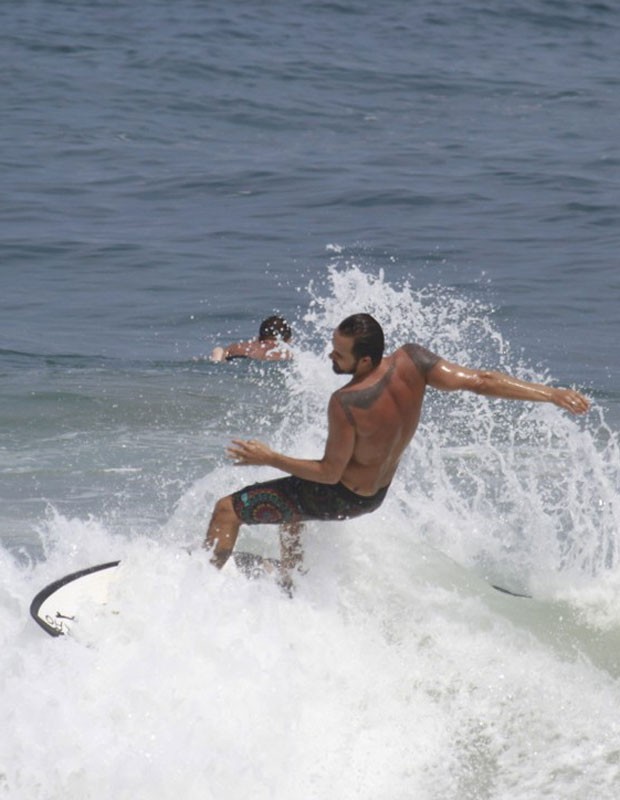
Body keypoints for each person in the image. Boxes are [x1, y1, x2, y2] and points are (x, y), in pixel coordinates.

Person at [204, 313, 590, 585]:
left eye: (339, 354)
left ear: (365, 359)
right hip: (375, 495)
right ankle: (292, 575)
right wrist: (550, 393)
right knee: (293, 496)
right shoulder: (414, 361)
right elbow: (481, 380)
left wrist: (267, 457)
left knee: (227, 509)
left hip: (342, 497)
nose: (330, 358)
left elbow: (329, 474)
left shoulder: (347, 402)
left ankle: (196, 592)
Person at [210, 315, 292, 362]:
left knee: (218, 350)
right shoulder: (286, 354)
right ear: (287, 339)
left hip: (239, 360)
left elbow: (220, 353)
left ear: (259, 336)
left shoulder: (239, 347)